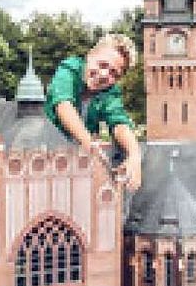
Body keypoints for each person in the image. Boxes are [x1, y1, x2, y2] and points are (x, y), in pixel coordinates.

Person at [44, 33, 142, 190]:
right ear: (89, 56)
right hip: (46, 154)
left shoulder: (109, 92)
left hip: (78, 166)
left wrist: (135, 156)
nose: (104, 75)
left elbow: (120, 123)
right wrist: (90, 144)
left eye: (113, 74)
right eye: (102, 65)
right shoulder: (70, 69)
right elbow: (63, 105)